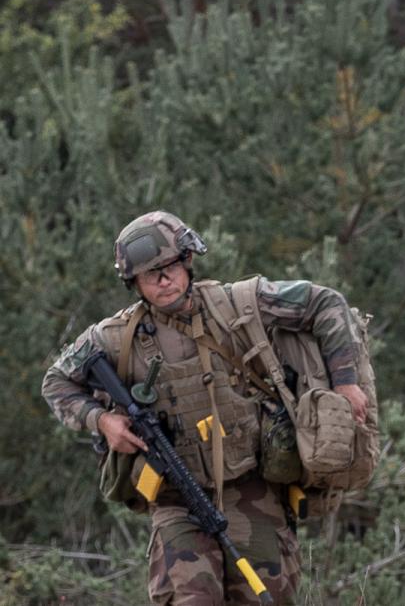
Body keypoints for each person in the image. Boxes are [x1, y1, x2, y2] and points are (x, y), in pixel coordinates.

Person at [41, 211, 369, 604]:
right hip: (177, 496)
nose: (164, 280)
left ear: (187, 261)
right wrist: (102, 420)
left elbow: (325, 303)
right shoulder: (113, 338)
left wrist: (346, 382)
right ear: (134, 283)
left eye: (169, 267)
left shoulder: (239, 305)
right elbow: (56, 382)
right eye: (150, 275)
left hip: (252, 487)